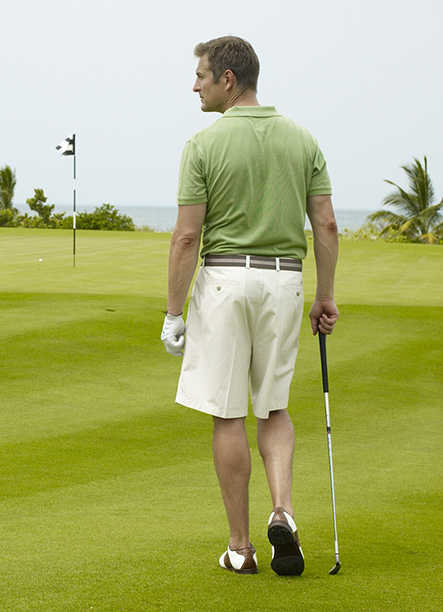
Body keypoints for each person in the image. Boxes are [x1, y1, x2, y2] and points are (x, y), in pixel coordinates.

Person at [161, 36, 339, 576]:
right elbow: (326, 225)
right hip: (284, 283)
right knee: (276, 405)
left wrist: (173, 313)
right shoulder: (302, 138)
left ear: (228, 79)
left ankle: (240, 548)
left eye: (201, 75)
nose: (194, 84)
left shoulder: (202, 145)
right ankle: (282, 510)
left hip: (223, 282)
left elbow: (187, 238)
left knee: (228, 412)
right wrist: (325, 296)